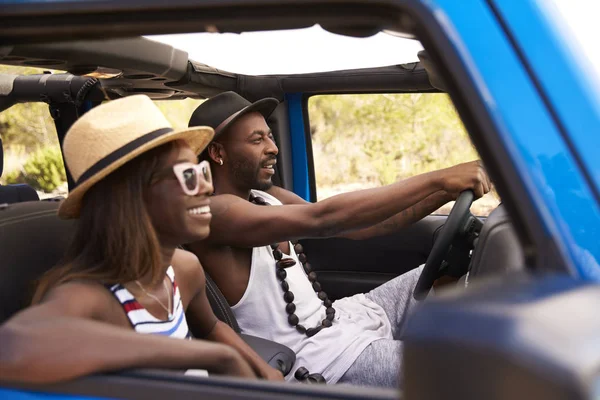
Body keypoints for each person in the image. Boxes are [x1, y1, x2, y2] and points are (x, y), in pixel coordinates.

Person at [186, 91, 491, 388]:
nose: (273, 148)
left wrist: (445, 193)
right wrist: (439, 177)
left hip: (341, 320)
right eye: (257, 140)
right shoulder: (215, 213)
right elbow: (324, 220)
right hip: (319, 360)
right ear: (217, 153)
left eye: (270, 136)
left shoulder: (267, 197)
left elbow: (362, 228)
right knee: (465, 371)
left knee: (459, 275)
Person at [0, 95, 283, 384]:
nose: (204, 187)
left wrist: (260, 370)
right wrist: (213, 357)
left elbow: (211, 328)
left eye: (201, 172)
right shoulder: (93, 297)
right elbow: (12, 347)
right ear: (134, 197)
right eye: (187, 175)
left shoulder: (184, 269)